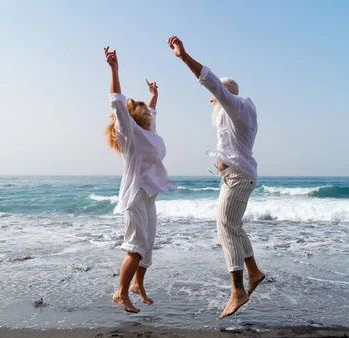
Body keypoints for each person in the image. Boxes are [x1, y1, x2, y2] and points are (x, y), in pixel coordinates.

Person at [168, 36, 265, 319]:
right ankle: (254, 273)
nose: (213, 102)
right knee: (234, 227)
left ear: (226, 93)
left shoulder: (236, 105)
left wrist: (183, 56)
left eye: (217, 98)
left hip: (238, 177)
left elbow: (210, 80)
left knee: (224, 226)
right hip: (237, 176)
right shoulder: (241, 111)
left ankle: (238, 291)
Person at [104, 46, 175, 313]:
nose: (149, 114)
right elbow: (116, 102)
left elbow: (153, 114)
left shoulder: (149, 132)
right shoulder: (130, 134)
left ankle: (137, 286)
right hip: (134, 196)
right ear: (135, 117)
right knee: (135, 246)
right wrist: (114, 69)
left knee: (147, 247)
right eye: (145, 111)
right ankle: (120, 293)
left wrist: (153, 96)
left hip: (149, 195)